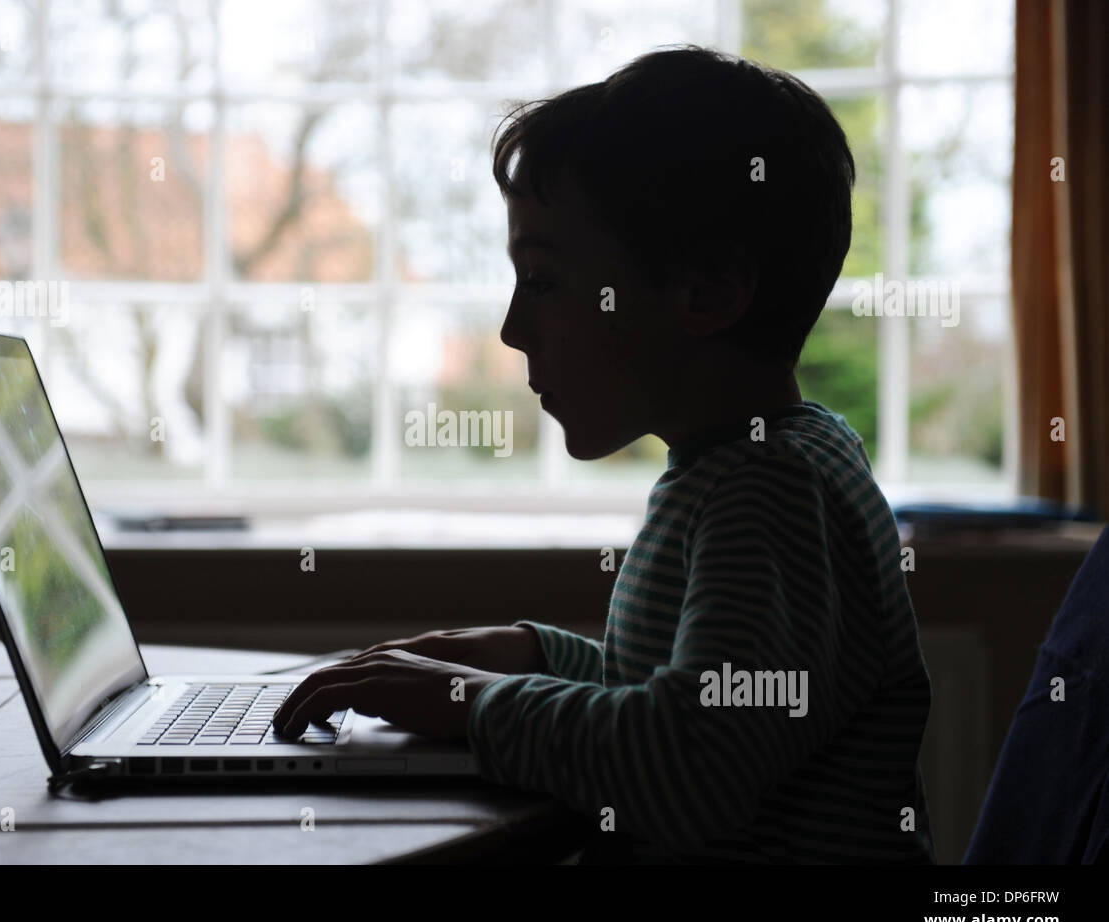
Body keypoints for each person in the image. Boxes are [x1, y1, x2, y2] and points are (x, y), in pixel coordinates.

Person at [273, 44, 935, 864]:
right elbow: (681, 695)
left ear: (707, 293)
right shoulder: (752, 464)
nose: (514, 329)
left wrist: (474, 704)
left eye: (545, 282)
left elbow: (691, 764)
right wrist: (537, 654)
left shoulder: (769, 491)